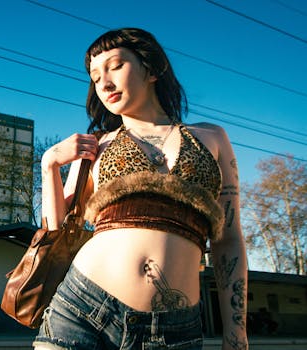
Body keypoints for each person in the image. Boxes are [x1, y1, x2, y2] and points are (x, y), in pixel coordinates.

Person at [34, 28, 248, 350]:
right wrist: (49, 164)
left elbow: (229, 241)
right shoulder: (96, 145)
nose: (103, 83)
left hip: (173, 328)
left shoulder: (212, 138)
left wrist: (237, 335)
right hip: (81, 306)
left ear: (152, 69)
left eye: (116, 65)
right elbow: (57, 232)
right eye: (95, 76)